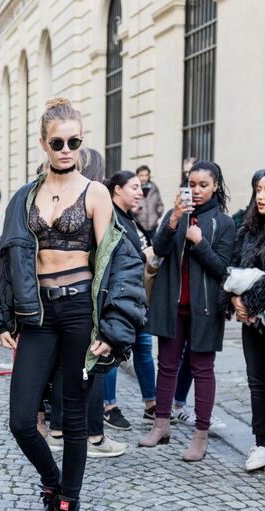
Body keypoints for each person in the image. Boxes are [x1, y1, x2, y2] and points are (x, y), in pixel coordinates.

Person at [0, 97, 146, 511]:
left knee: (74, 420)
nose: (67, 149)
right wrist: (2, 316)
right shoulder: (25, 197)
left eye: (75, 141)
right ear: (44, 144)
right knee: (21, 420)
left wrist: (113, 327)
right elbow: (9, 256)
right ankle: (53, 484)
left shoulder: (94, 193)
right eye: (59, 142)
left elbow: (120, 261)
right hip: (38, 317)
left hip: (79, 314)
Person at [139, 160, 235, 461]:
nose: (196, 190)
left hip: (205, 309)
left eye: (203, 185)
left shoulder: (224, 223)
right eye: (192, 184)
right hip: (172, 305)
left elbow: (222, 269)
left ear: (215, 186)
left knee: (202, 369)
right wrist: (173, 221)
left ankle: (200, 435)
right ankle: (161, 425)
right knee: (166, 365)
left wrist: (201, 243)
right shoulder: (176, 215)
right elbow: (160, 249)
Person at [44, 148, 127, 459]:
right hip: (84, 299)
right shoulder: (92, 200)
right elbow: (110, 258)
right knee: (88, 369)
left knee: (69, 367)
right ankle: (91, 437)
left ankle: (60, 430)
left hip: (70, 300)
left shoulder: (81, 199)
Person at [221, 169, 265, 476]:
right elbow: (231, 271)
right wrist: (234, 302)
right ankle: (260, 444)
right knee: (257, 382)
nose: (262, 196)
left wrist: (250, 300)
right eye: (258, 189)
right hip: (252, 321)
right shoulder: (248, 229)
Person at [102, 171, 157, 430]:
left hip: (137, 297)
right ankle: (108, 406)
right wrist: (143, 256)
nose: (140, 192)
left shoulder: (131, 218)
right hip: (119, 296)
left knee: (144, 348)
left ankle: (151, 404)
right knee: (112, 350)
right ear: (117, 190)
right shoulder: (109, 216)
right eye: (134, 187)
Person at [135, 165, 164, 240]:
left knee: (153, 248)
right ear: (137, 175)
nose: (144, 177)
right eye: (141, 175)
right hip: (139, 226)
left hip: (152, 226)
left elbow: (160, 204)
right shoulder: (133, 188)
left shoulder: (154, 188)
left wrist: (157, 214)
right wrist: (134, 211)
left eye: (146, 175)